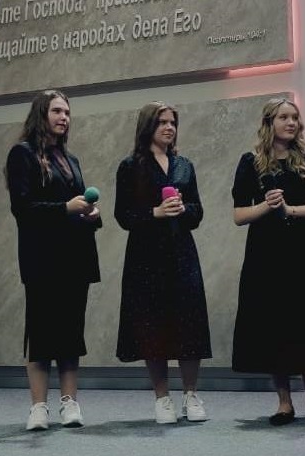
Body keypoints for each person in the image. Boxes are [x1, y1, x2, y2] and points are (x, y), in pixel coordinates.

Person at [231, 98, 305, 426]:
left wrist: (291, 210)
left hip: (302, 252)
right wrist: (266, 206)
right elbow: (239, 215)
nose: (291, 122)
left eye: (295, 117)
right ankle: (284, 402)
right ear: (270, 123)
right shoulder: (250, 161)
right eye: (284, 117)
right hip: (265, 254)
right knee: (274, 324)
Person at [5, 89, 101, 430]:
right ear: (41, 114)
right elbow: (22, 208)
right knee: (42, 334)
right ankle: (38, 408)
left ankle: (69, 403)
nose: (64, 117)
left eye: (67, 112)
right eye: (57, 111)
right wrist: (65, 208)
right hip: (43, 260)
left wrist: (90, 214)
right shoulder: (22, 153)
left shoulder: (70, 159)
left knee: (71, 335)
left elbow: (79, 204)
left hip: (75, 258)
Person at [114, 101, 212, 424]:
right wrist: (154, 212)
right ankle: (162, 398)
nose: (169, 128)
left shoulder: (184, 165)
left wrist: (185, 210)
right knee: (152, 326)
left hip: (182, 253)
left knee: (189, 324)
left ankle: (191, 394)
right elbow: (123, 215)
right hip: (146, 258)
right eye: (162, 122)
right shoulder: (130, 166)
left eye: (172, 123)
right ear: (148, 127)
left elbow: (198, 212)